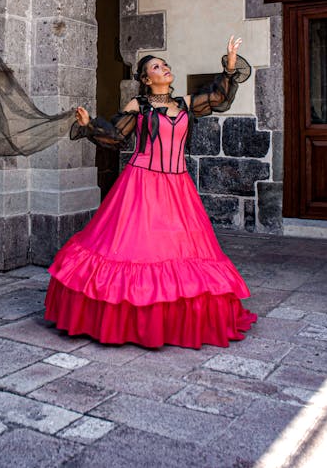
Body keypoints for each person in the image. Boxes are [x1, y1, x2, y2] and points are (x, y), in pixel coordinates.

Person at [44, 36, 257, 348]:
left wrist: (231, 62)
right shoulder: (139, 105)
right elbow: (116, 136)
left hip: (177, 185)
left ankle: (178, 319)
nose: (165, 68)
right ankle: (129, 319)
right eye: (157, 67)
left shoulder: (185, 102)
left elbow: (218, 98)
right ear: (146, 79)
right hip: (141, 183)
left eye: (166, 64)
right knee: (136, 248)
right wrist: (90, 124)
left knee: (184, 251)